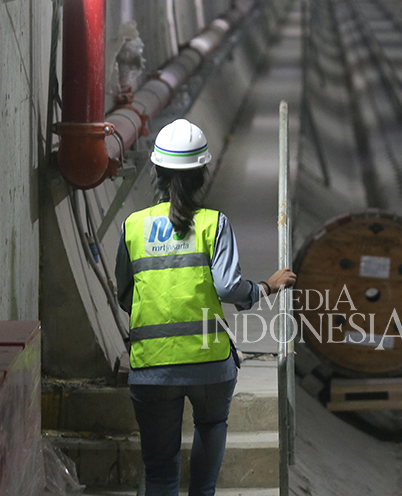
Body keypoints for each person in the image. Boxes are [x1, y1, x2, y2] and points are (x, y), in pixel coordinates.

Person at [114, 118, 296, 496]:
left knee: (161, 472)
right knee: (211, 431)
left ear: (157, 173)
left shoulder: (133, 226)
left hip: (152, 366)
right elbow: (228, 287)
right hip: (209, 364)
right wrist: (265, 287)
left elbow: (126, 294)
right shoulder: (214, 224)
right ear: (200, 175)